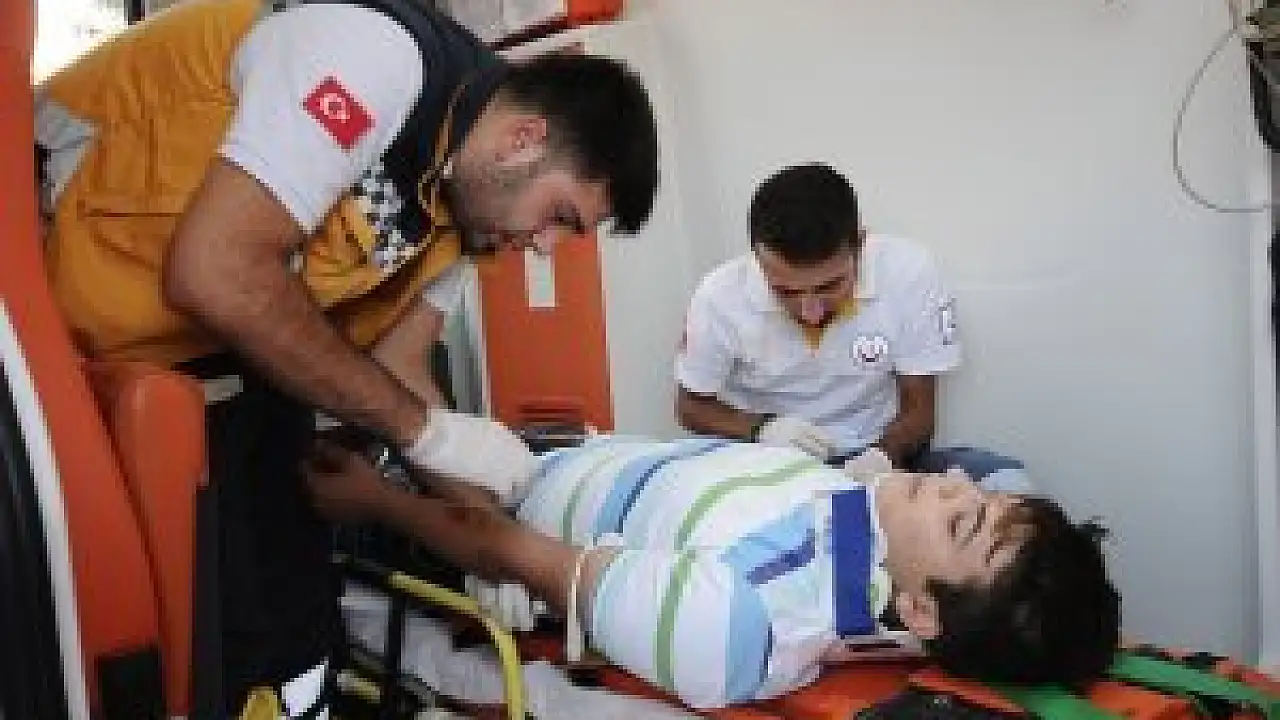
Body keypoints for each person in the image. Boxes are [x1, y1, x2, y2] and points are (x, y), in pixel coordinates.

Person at [34, 0, 659, 712]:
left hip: (201, 356)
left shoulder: (462, 210)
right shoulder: (371, 61)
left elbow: (398, 369)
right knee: (166, 635)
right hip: (40, 305)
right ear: (523, 139)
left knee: (291, 619)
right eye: (560, 217)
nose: (545, 247)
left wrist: (492, 542)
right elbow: (217, 271)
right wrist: (425, 433)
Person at [305, 436, 1120, 710]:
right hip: (582, 450)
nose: (956, 487)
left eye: (964, 519)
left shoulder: (737, 619)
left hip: (484, 501)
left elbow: (502, 549)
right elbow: (996, 485)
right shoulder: (894, 538)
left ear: (923, 613)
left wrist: (375, 499)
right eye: (984, 501)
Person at [674, 163, 1030, 492]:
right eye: (786, 292)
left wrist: (881, 458)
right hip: (769, 470)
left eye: (829, 286)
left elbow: (920, 413)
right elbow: (691, 407)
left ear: (860, 244)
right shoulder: (718, 296)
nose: (810, 312)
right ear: (757, 258)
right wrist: (762, 428)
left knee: (1009, 485)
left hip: (882, 456)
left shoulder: (908, 272)